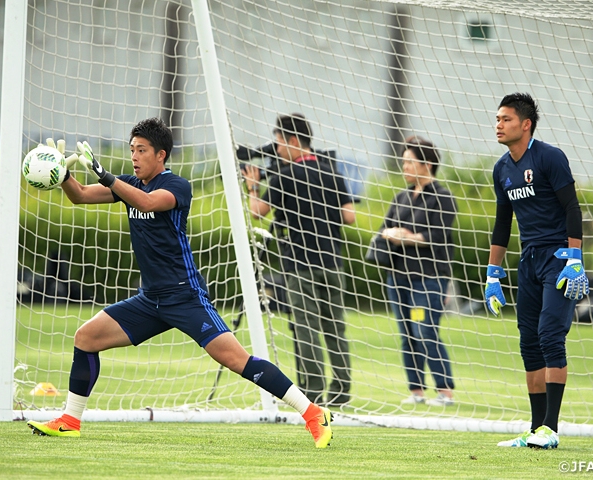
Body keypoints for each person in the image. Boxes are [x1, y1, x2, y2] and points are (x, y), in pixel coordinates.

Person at [26, 117, 334, 449]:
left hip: (184, 296)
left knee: (236, 360)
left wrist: (107, 175)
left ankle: (313, 413)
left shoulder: (176, 186)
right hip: (150, 300)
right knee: (86, 337)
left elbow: (146, 203)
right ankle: (70, 421)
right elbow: (81, 196)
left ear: (161, 155)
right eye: (132, 150)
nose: (135, 156)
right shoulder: (130, 183)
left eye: (141, 150)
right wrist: (61, 172)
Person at [486, 93, 589, 449]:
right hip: (527, 260)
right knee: (528, 342)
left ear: (525, 124)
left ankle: (551, 428)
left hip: (559, 258)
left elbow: (572, 208)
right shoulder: (502, 169)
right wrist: (492, 274)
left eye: (506, 119)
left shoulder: (549, 157)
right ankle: (535, 430)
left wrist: (575, 259)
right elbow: (502, 224)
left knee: (549, 335)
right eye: (497, 119)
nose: (498, 125)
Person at [241, 113, 356, 407]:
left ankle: (313, 391)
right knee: (335, 327)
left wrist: (252, 185)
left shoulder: (285, 176)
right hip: (332, 261)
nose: (277, 150)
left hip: (299, 264)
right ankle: (341, 390)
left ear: (293, 141)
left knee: (305, 326)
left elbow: (257, 211)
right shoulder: (332, 171)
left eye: (279, 143)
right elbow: (349, 216)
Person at [379, 136, 457, 407]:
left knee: (426, 331)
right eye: (404, 162)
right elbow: (384, 228)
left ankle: (444, 390)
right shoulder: (401, 196)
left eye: (410, 162)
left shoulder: (443, 197)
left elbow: (438, 236)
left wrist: (407, 237)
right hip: (398, 275)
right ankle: (416, 390)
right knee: (407, 332)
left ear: (427, 164)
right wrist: (391, 233)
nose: (405, 167)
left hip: (429, 277)